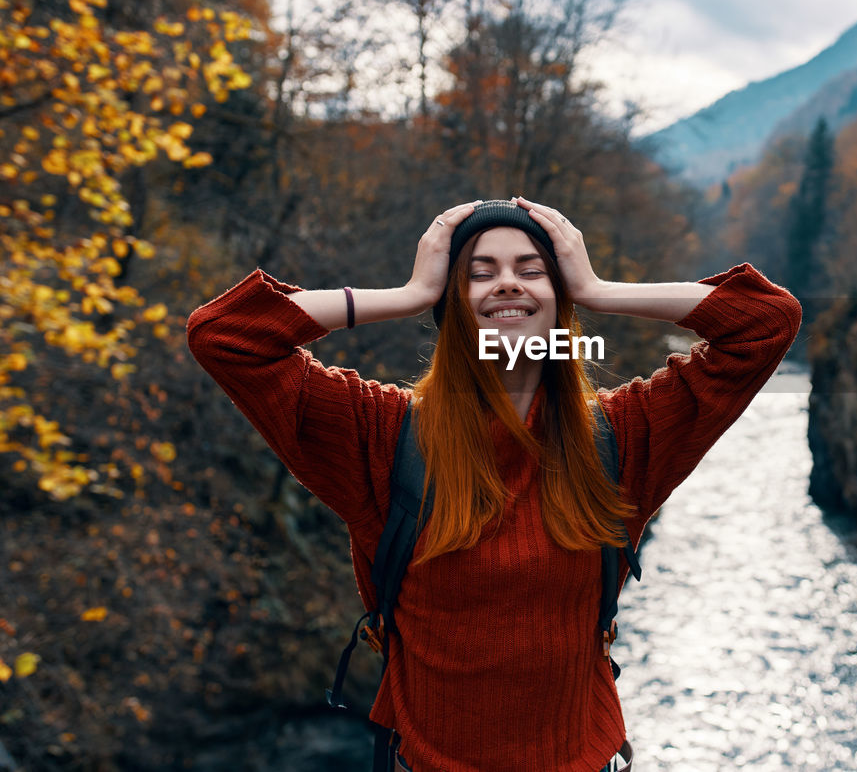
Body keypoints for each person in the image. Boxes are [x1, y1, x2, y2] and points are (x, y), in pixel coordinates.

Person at [186, 197, 802, 771]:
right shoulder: (380, 438)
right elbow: (227, 334)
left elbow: (764, 322)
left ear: (561, 300)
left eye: (532, 270)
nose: (508, 282)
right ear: (452, 302)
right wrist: (408, 294)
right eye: (480, 272)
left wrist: (598, 289)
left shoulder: (621, 440)